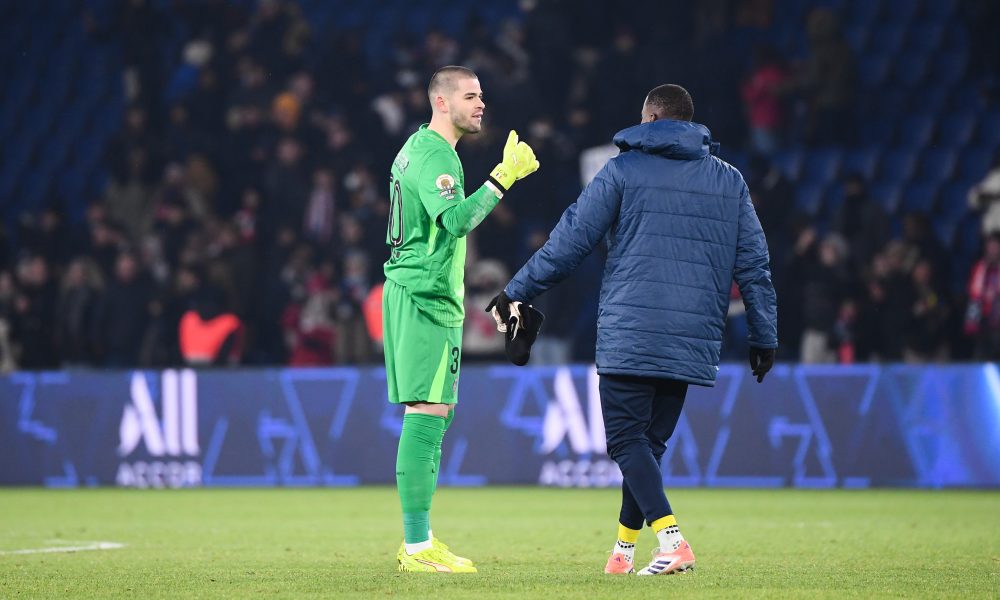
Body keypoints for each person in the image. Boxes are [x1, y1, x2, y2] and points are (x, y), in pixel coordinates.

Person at [488, 85, 777, 576]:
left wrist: (517, 290)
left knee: (625, 441)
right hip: (694, 336)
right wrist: (764, 334)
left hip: (633, 329)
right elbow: (754, 264)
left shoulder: (623, 170)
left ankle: (673, 542)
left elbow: (570, 242)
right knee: (647, 446)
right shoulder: (729, 180)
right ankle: (622, 554)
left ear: (650, 118)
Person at [384, 65, 539, 573]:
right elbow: (455, 221)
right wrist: (504, 176)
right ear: (441, 103)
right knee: (426, 416)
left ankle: (420, 538)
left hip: (425, 295)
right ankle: (415, 547)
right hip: (424, 297)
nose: (481, 105)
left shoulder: (419, 148)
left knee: (435, 414)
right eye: (471, 96)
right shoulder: (435, 157)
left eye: (482, 96)